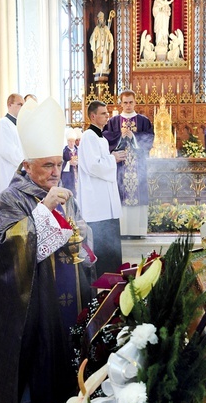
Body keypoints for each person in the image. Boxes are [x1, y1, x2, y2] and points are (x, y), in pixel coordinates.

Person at [0, 97, 94, 403]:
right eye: (47, 165)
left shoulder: (63, 195)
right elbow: (5, 249)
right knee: (35, 379)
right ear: (27, 165)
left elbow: (82, 242)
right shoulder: (10, 199)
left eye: (59, 164)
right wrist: (41, 214)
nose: (55, 172)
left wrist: (82, 234)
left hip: (66, 311)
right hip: (32, 311)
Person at [77, 100, 127, 277]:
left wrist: (112, 158)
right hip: (97, 202)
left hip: (106, 201)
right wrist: (113, 159)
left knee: (111, 241)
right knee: (102, 240)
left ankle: (113, 277)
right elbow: (93, 166)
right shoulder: (89, 137)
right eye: (104, 113)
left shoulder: (100, 137)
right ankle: (104, 278)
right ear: (93, 116)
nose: (107, 116)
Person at [103, 90, 154, 238]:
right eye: (125, 102)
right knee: (121, 197)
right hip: (120, 168)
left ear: (135, 102)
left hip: (139, 168)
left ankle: (138, 232)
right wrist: (120, 136)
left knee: (139, 197)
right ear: (120, 103)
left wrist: (134, 136)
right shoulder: (113, 122)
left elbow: (149, 139)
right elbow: (106, 139)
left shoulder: (143, 121)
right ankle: (123, 232)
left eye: (131, 102)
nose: (128, 105)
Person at [0, 93, 25, 201]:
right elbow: (6, 150)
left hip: (18, 173)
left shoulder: (17, 126)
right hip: (8, 173)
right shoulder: (3, 124)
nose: (22, 107)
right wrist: (25, 163)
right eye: (19, 104)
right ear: (10, 105)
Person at [89, 11, 114, 77]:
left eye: (102, 19)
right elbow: (92, 39)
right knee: (98, 59)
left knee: (105, 59)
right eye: (99, 19)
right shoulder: (96, 29)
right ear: (98, 20)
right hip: (99, 49)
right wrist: (95, 36)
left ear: (104, 19)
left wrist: (108, 36)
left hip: (105, 49)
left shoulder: (106, 28)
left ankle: (105, 68)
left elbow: (110, 39)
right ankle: (98, 68)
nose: (101, 20)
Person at [62, 127, 78, 196]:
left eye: (72, 141)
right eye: (69, 141)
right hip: (69, 177)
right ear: (67, 141)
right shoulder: (64, 152)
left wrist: (78, 162)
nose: (71, 143)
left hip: (77, 175)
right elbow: (61, 164)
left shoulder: (78, 151)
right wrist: (69, 163)